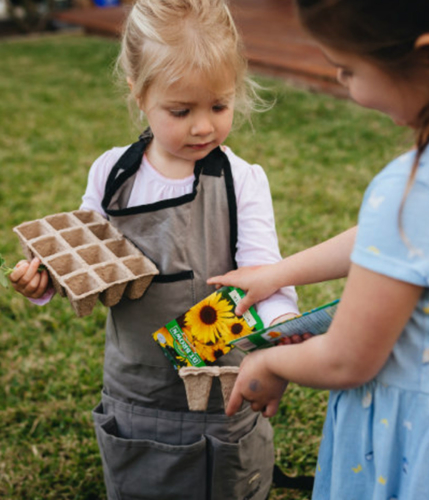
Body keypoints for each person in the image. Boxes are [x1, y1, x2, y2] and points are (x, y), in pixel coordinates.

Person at [208, 0, 429, 498]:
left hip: (417, 437)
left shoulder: (412, 191)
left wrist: (269, 364)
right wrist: (280, 273)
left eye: (348, 68)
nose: (342, 80)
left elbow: (347, 360)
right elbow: (390, 240)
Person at [9, 0, 299, 498]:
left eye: (219, 106)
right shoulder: (112, 176)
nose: (203, 126)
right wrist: (45, 283)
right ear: (139, 95)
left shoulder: (242, 181)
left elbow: (265, 271)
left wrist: (279, 333)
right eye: (180, 111)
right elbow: (87, 262)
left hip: (220, 391)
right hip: (136, 390)